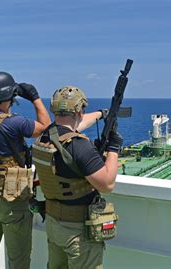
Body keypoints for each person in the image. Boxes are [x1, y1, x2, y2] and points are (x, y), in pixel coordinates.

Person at [33, 86, 123, 269]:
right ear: (80, 110)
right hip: (77, 230)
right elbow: (107, 184)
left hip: (54, 223)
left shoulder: (46, 136)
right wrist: (113, 149)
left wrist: (100, 114)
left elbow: (74, 125)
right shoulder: (79, 146)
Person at [0, 71, 51, 269]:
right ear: (10, 96)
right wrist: (35, 98)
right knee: (18, 256)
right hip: (9, 197)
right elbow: (46, 128)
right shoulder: (14, 122)